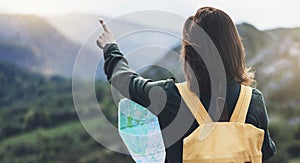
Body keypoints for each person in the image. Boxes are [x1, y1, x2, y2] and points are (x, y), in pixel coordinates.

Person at [96, 6, 276, 163]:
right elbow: (265, 152)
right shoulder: (253, 101)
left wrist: (110, 46)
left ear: (190, 53)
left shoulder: (170, 97)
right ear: (235, 48)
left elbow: (124, 80)